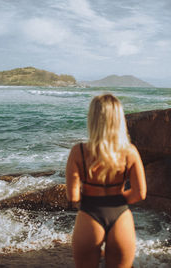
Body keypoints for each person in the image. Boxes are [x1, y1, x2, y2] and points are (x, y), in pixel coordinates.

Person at [66, 94, 147, 268]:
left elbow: (72, 197)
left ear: (93, 119)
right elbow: (140, 193)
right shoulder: (129, 152)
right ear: (118, 119)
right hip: (120, 216)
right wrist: (116, 200)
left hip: (89, 214)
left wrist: (92, 200)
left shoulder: (78, 151)